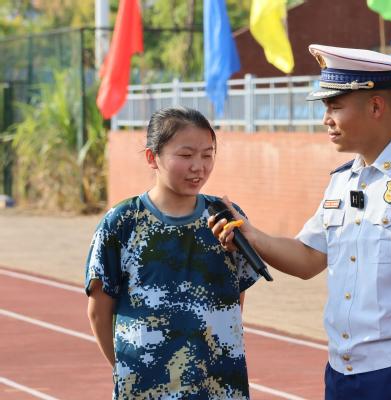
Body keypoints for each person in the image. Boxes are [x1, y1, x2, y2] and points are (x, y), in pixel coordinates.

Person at [210, 44, 391, 400]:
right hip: (341, 369)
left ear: (376, 106)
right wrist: (250, 234)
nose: (326, 119)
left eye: (335, 106)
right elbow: (308, 258)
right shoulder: (344, 181)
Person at [85, 107, 260, 399]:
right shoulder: (122, 222)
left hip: (218, 387)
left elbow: (234, 299)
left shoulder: (225, 218)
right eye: (186, 155)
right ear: (152, 157)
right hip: (145, 388)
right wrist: (127, 370)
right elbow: (98, 312)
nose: (198, 167)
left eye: (207, 155)